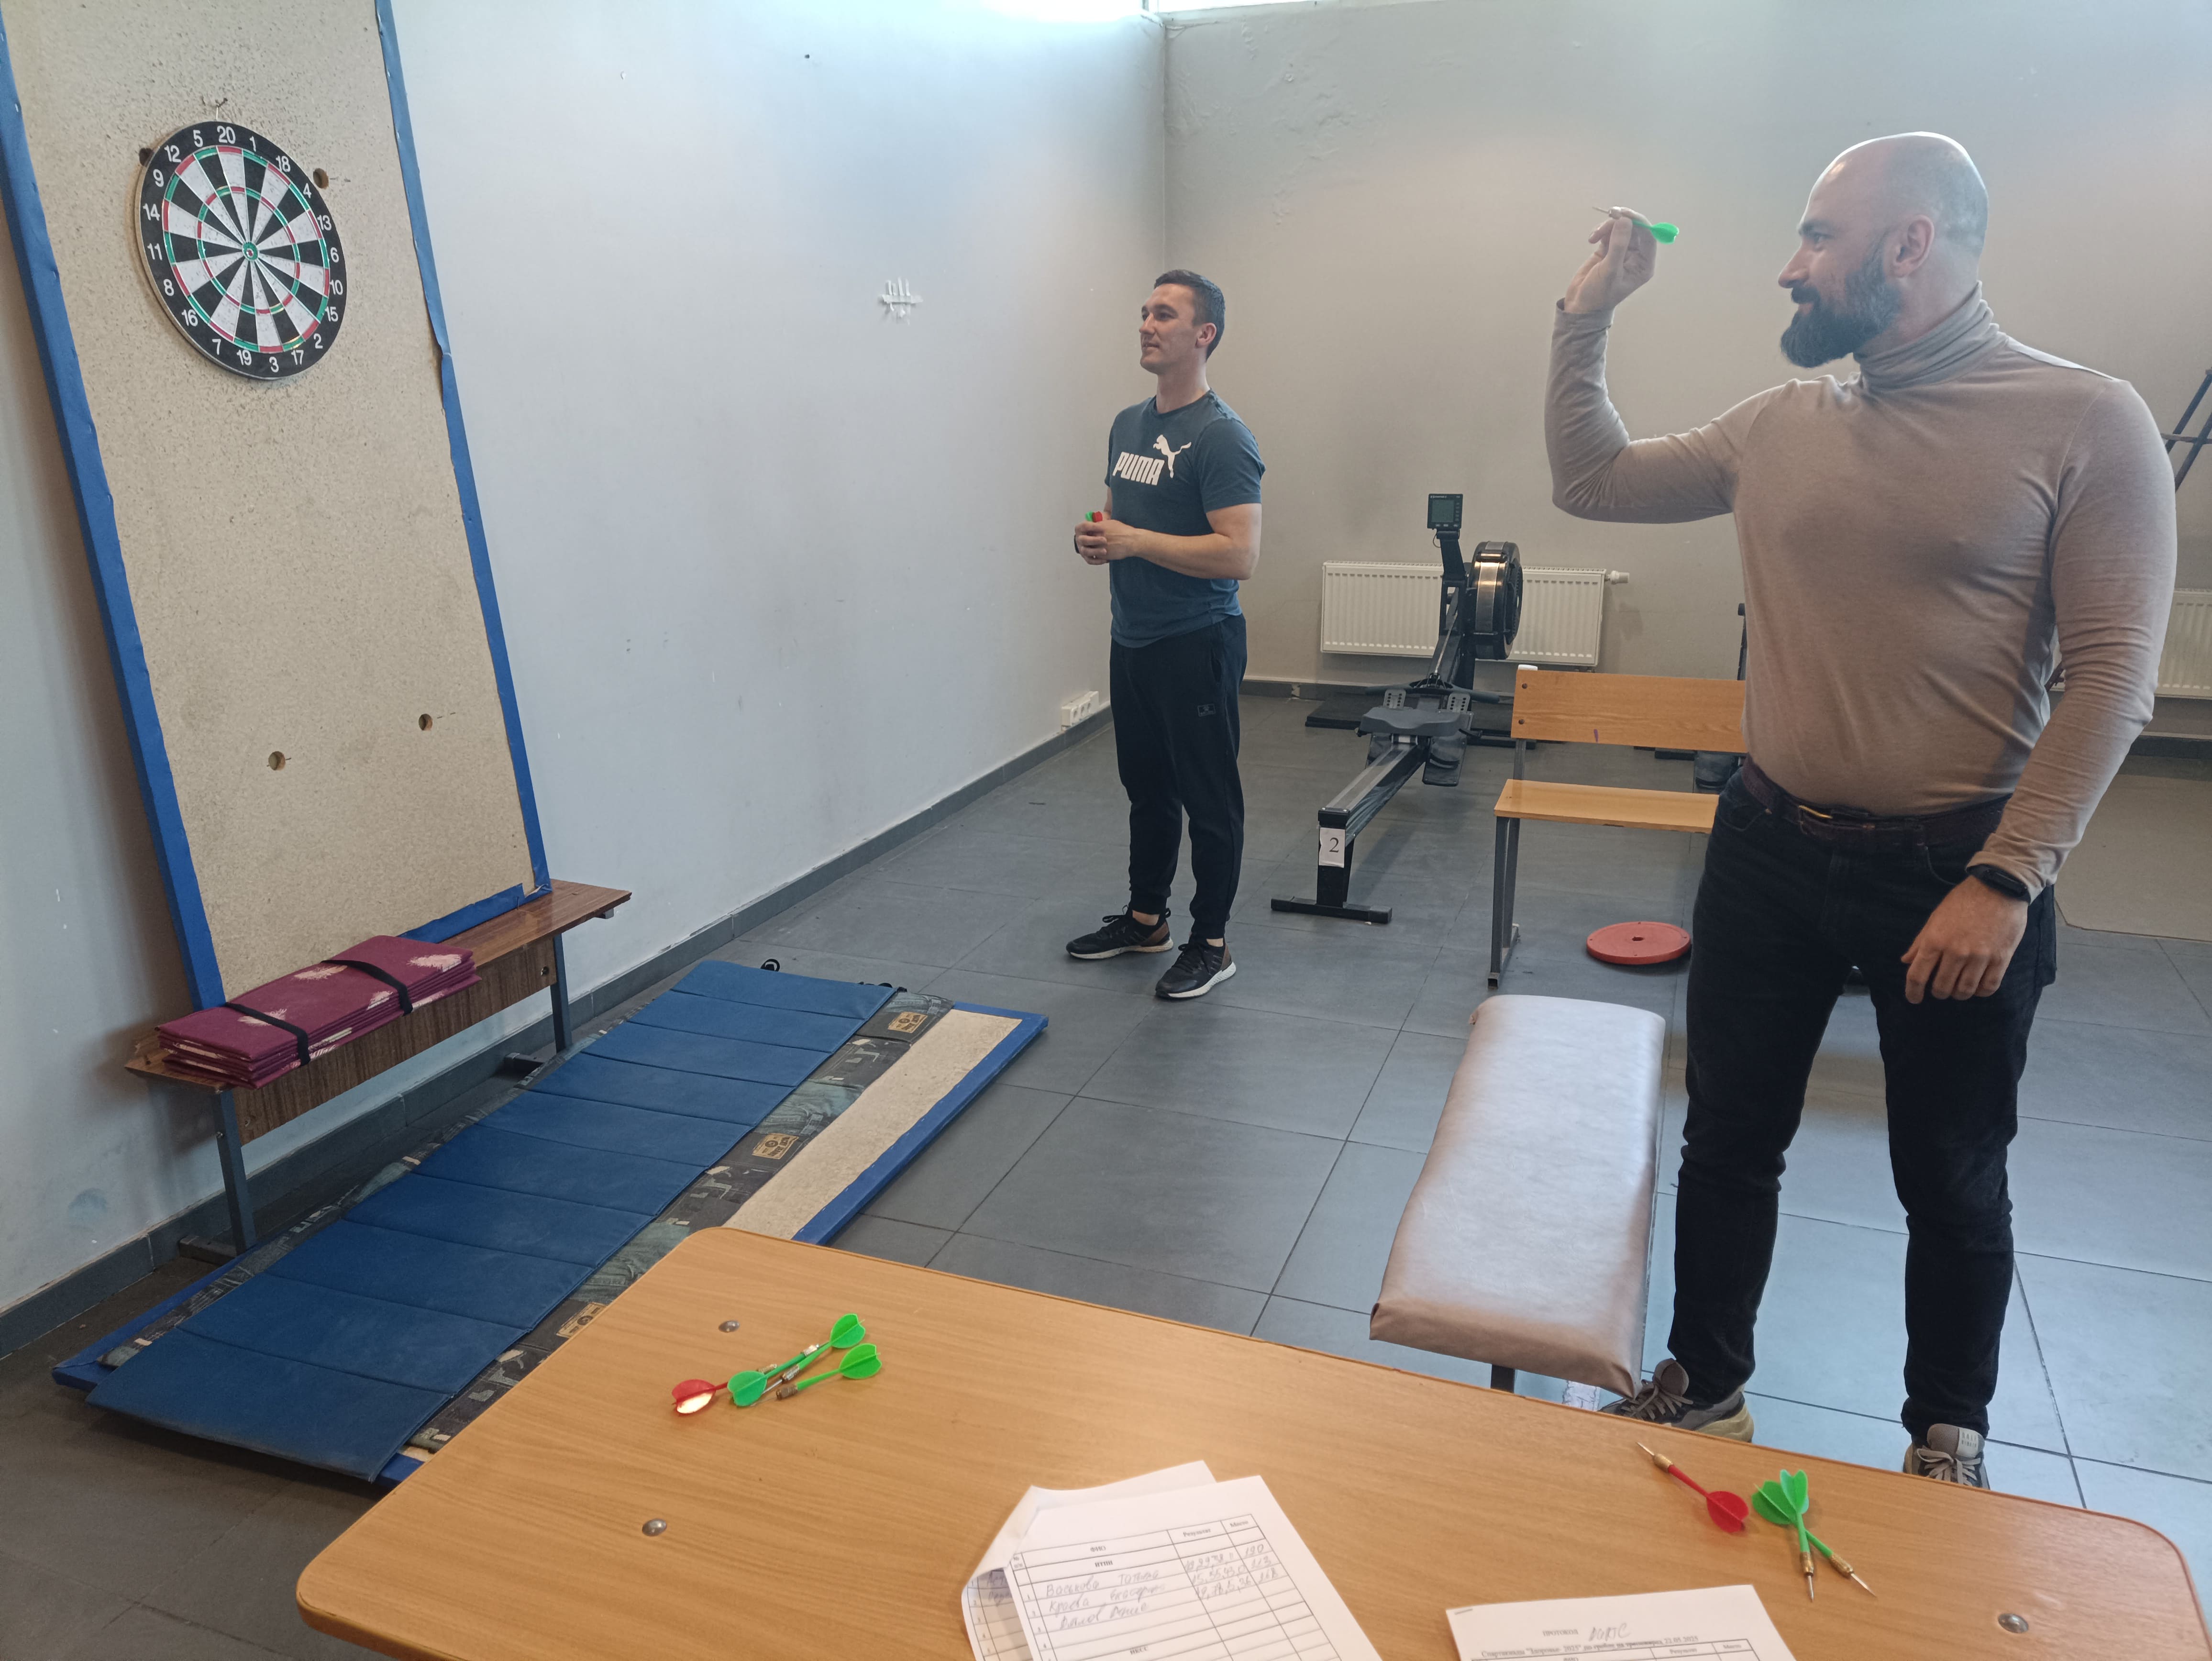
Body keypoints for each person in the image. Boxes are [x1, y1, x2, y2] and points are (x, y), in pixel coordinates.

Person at [1548, 135, 2175, 1485]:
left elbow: (2117, 672)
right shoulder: (1780, 425)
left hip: (1957, 872)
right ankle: (1704, 1384)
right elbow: (1590, 479)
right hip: (1766, 848)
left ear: (1909, 244)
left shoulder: (2083, 417)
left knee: (1949, 1174)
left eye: (1816, 236)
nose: (1789, 266)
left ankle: (1945, 1437)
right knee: (1727, 1141)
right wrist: (1584, 316)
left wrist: (2006, 879)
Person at [1065, 270, 1264, 1000]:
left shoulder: (1222, 436)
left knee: (1208, 800)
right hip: (1134, 638)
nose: (1147, 325)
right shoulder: (1128, 424)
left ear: (1203, 334)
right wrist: (1098, 537)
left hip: (1198, 641)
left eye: (1165, 315)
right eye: (1145, 312)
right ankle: (1148, 920)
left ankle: (1212, 943)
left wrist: (1134, 542)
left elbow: (1239, 556)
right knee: (1147, 790)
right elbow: (1118, 517)